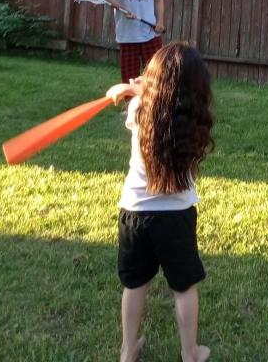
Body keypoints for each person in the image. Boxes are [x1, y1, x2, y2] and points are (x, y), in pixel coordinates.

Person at [105, 42, 215, 362]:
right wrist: (135, 87)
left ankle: (128, 350)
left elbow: (139, 92)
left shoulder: (138, 110)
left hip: (135, 213)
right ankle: (190, 353)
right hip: (176, 216)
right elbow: (162, 93)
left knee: (135, 283)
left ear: (153, 79)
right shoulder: (194, 120)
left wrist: (128, 87)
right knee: (184, 287)